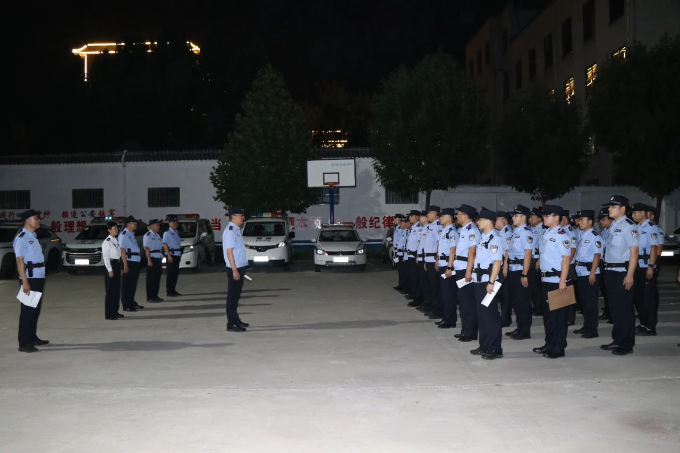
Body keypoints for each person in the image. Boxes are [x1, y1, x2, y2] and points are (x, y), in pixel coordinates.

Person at [601, 195, 639, 356]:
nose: (609, 209)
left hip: (622, 272)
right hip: (610, 271)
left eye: (613, 206)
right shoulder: (614, 225)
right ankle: (618, 339)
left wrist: (630, 275)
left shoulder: (628, 226)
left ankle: (626, 344)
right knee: (615, 308)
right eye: (609, 206)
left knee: (624, 309)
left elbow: (634, 252)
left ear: (623, 209)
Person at [533, 205, 572, 359]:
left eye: (547, 216)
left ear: (556, 217)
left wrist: (562, 281)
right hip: (546, 279)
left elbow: (566, 259)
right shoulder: (547, 233)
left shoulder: (562, 235)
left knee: (559, 317)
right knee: (549, 316)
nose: (544, 218)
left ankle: (558, 347)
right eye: (544, 215)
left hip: (557, 280)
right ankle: (549, 344)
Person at [469, 208, 504, 360]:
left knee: (490, 316)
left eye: (480, 220)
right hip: (479, 280)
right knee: (482, 315)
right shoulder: (484, 237)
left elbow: (497, 262)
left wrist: (491, 282)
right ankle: (484, 345)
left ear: (488, 221)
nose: (478, 222)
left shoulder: (494, 239)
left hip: (487, 282)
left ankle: (495, 348)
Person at [13, 209, 49, 353]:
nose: (38, 221)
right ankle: (24, 343)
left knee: (35, 310)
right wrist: (25, 281)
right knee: (27, 311)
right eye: (36, 218)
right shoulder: (21, 238)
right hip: (30, 278)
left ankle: (32, 337)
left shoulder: (33, 236)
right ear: (28, 220)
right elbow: (19, 261)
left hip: (38, 276)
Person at [504, 205, 534, 340]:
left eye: (516, 216)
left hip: (521, 270)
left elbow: (528, 254)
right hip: (513, 270)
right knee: (516, 301)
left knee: (523, 301)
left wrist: (524, 274)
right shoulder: (515, 232)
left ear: (523, 218)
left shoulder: (526, 233)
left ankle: (525, 331)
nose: (513, 218)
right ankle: (520, 327)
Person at [573, 210, 602, 339]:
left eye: (582, 220)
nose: (579, 222)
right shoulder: (583, 235)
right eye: (579, 220)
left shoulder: (594, 236)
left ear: (590, 222)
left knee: (591, 302)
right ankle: (586, 325)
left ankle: (592, 329)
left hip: (589, 273)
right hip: (580, 272)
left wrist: (592, 273)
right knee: (584, 302)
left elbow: (597, 255)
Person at [631, 203, 659, 336]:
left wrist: (651, 267)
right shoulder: (637, 227)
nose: (633, 215)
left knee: (648, 298)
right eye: (632, 213)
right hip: (637, 266)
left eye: (635, 213)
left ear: (643, 213)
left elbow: (654, 248)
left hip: (646, 266)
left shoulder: (651, 227)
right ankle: (643, 323)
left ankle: (650, 327)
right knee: (638, 297)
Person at [453, 204, 479, 342]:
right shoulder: (463, 229)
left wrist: (468, 271)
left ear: (465, 216)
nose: (457, 216)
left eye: (459, 214)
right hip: (460, 267)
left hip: (466, 269)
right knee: (463, 302)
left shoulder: (472, 230)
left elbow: (472, 251)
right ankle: (465, 330)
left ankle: (470, 332)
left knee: (468, 302)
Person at [224, 207, 249, 332]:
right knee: (232, 297)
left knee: (236, 296)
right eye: (240, 216)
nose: (242, 218)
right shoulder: (230, 231)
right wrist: (234, 270)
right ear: (234, 217)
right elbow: (229, 252)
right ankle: (231, 323)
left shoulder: (236, 230)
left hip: (240, 267)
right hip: (235, 268)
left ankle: (235, 319)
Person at [437, 208, 458, 329]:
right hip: (442, 264)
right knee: (444, 293)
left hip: (447, 265)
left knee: (449, 293)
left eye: (442, 216)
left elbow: (453, 249)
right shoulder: (444, 230)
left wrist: (449, 266)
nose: (440, 218)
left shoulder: (452, 231)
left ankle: (450, 320)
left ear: (449, 217)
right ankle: (445, 317)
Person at [119, 216, 144, 312]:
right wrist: (125, 264)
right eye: (134, 223)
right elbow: (122, 250)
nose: (135, 225)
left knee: (133, 284)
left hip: (135, 261)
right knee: (127, 284)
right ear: (128, 224)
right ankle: (126, 304)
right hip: (129, 261)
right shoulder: (124, 235)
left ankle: (131, 302)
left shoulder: (131, 234)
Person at [422, 206, 443, 320]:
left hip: (434, 260)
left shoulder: (438, 227)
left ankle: (438, 310)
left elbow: (440, 244)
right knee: (431, 286)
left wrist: (437, 259)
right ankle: (432, 307)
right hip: (428, 260)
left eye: (429, 213)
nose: (427, 215)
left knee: (435, 287)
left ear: (435, 214)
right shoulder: (430, 227)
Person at [495, 211, 514, 327]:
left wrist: (505, 266)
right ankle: (504, 317)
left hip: (503, 264)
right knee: (502, 293)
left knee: (505, 294)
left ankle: (505, 319)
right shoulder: (501, 231)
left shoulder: (507, 231)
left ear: (503, 220)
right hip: (501, 264)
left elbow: (508, 250)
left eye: (497, 219)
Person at [102, 221, 123, 320]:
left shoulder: (115, 240)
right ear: (109, 230)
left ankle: (115, 311)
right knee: (110, 291)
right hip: (111, 266)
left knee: (116, 290)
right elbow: (106, 257)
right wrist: (110, 270)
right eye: (114, 228)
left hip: (117, 265)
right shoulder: (107, 242)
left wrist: (120, 267)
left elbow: (118, 255)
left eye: (117, 228)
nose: (116, 230)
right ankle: (109, 314)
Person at [528, 208, 547, 316]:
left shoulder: (543, 230)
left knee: (536, 287)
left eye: (532, 217)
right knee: (532, 285)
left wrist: (539, 260)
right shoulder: (531, 229)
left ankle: (539, 308)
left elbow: (542, 248)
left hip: (537, 259)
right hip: (531, 259)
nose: (530, 219)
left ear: (539, 218)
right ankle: (536, 306)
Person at [597, 208, 613, 322]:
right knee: (605, 290)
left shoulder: (614, 231)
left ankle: (612, 314)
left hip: (612, 264)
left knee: (612, 292)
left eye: (604, 219)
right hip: (603, 263)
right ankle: (607, 312)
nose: (601, 222)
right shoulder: (603, 232)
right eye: (600, 220)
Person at [404, 210, 423, 307]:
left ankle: (418, 299)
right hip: (410, 256)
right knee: (412, 278)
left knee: (416, 279)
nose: (410, 218)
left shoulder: (419, 227)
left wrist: (417, 255)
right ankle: (415, 297)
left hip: (415, 256)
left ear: (417, 217)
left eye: (412, 216)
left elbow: (420, 242)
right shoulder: (413, 228)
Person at [144, 219, 164, 303]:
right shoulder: (148, 235)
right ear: (151, 226)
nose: (158, 227)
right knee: (151, 279)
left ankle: (155, 295)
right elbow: (147, 249)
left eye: (159, 225)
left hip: (158, 257)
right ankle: (150, 296)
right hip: (152, 257)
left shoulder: (157, 235)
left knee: (157, 278)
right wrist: (149, 260)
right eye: (157, 225)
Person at [163, 215, 183, 297]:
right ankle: (169, 291)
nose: (175, 223)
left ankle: (173, 290)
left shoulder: (176, 232)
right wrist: (169, 255)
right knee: (170, 274)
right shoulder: (167, 233)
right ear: (169, 223)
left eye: (176, 222)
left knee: (175, 274)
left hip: (177, 254)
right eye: (173, 222)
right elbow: (165, 244)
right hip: (171, 255)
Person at [415, 211, 431, 315]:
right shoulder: (424, 229)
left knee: (427, 284)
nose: (419, 219)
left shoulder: (430, 228)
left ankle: (428, 304)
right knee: (423, 283)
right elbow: (420, 244)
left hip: (427, 259)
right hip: (422, 258)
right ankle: (426, 302)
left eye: (421, 217)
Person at [392, 214, 406, 292]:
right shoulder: (398, 228)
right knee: (399, 269)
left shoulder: (402, 229)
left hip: (401, 252)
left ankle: (403, 285)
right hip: (397, 251)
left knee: (402, 270)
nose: (394, 220)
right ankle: (400, 284)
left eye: (396, 218)